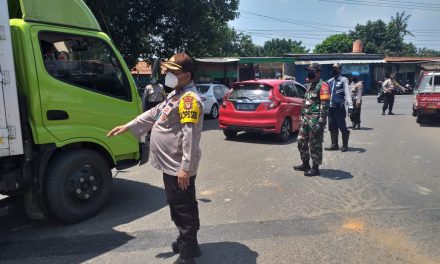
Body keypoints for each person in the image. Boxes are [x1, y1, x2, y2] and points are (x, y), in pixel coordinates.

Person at [107, 53, 203, 264]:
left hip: (179, 166)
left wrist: (185, 168)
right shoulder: (175, 95)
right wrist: (129, 126)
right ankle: (188, 242)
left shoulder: (188, 100)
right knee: (179, 204)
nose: (167, 75)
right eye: (167, 71)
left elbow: (190, 136)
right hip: (171, 165)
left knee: (183, 208)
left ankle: (187, 256)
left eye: (172, 72)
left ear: (186, 75)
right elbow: (154, 114)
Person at [293, 63, 330, 176]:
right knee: (301, 142)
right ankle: (305, 163)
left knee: (315, 144)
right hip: (305, 119)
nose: (309, 72)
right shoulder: (309, 85)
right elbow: (306, 102)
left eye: (312, 70)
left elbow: (325, 104)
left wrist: (321, 121)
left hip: (315, 120)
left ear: (318, 72)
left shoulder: (323, 86)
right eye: (309, 70)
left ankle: (315, 167)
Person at [325, 63, 353, 152]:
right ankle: (334, 145)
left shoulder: (344, 80)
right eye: (333, 68)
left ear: (340, 70)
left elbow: (347, 92)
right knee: (331, 126)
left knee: (342, 126)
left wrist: (350, 105)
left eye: (336, 68)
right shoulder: (329, 81)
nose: (334, 70)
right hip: (330, 107)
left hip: (339, 107)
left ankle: (345, 145)